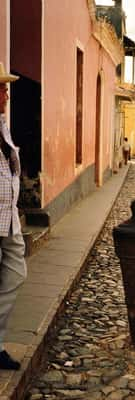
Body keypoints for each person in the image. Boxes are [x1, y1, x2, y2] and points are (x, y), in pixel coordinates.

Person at [0, 63, 27, 370]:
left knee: (16, 274)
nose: (7, 93)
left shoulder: (2, 123)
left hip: (9, 218)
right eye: (2, 88)